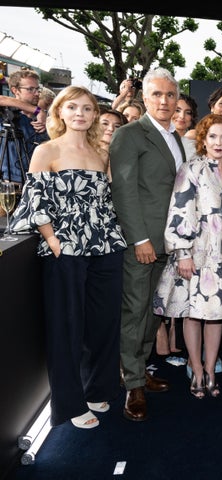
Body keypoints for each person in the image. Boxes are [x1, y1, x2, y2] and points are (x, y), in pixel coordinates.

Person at [8, 86, 127, 429]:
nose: (80, 113)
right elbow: (35, 203)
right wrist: (54, 241)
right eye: (72, 107)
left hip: (105, 246)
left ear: (94, 116)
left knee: (104, 323)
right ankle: (71, 405)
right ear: (59, 111)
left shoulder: (100, 153)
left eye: (87, 109)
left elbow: (106, 202)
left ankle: (98, 388)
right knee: (67, 327)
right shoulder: (46, 151)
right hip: (66, 249)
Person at [153, 114, 222, 399]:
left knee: (217, 314)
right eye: (213, 137)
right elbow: (180, 211)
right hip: (196, 254)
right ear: (203, 139)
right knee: (193, 312)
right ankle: (195, 369)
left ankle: (210, 368)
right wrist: (183, 253)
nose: (218, 143)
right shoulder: (191, 168)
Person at [110, 67, 185, 422]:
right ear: (144, 98)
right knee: (135, 311)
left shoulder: (177, 138)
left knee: (154, 312)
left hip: (170, 243)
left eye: (170, 95)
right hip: (143, 242)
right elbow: (123, 191)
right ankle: (133, 385)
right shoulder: (129, 135)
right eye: (157, 94)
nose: (164, 101)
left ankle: (137, 370)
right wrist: (138, 238)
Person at [155, 92, 199, 359]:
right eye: (177, 111)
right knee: (161, 278)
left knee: (179, 281)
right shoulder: (159, 140)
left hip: (186, 221)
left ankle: (174, 330)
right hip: (160, 214)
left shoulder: (195, 145)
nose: (182, 117)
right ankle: (161, 330)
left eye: (187, 113)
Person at [0, 69, 50, 183]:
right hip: (10, 184)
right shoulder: (5, 117)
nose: (37, 93)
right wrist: (37, 110)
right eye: (30, 89)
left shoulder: (46, 120)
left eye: (38, 89)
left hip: (38, 184)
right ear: (15, 90)